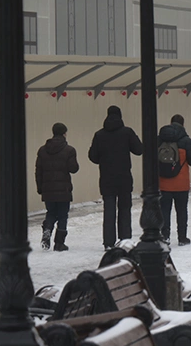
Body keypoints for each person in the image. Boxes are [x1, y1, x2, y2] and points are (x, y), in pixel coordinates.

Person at [88, 105, 144, 250]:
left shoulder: (99, 135)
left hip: (106, 178)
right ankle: (125, 239)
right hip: (124, 177)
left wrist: (104, 159)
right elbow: (139, 150)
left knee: (109, 211)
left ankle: (108, 242)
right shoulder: (127, 132)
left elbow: (93, 156)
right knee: (125, 209)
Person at [35, 122, 78, 252]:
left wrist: (40, 187)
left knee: (51, 213)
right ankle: (59, 243)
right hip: (64, 189)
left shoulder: (42, 150)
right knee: (63, 215)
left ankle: (47, 229)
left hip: (48, 189)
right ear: (64, 133)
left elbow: (38, 171)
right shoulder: (69, 150)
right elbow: (73, 168)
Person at [158, 114, 191, 246]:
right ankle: (182, 238)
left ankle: (165, 236)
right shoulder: (186, 141)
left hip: (163, 183)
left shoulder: (160, 140)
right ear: (183, 124)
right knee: (181, 211)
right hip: (181, 184)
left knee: (164, 210)